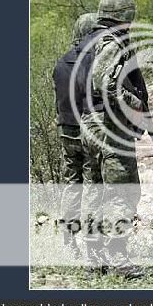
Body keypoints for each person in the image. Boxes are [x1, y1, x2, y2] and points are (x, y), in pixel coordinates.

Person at [79, 0, 153, 279]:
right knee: (123, 192)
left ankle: (93, 260)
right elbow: (106, 85)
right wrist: (137, 105)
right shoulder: (111, 42)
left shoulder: (87, 41)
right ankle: (119, 258)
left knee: (94, 193)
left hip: (89, 123)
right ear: (125, 16)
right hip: (109, 126)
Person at [52, 13, 98, 256]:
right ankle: (93, 246)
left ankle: (69, 244)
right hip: (89, 130)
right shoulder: (94, 62)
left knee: (72, 183)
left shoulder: (60, 63)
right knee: (92, 185)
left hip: (65, 129)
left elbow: (57, 101)